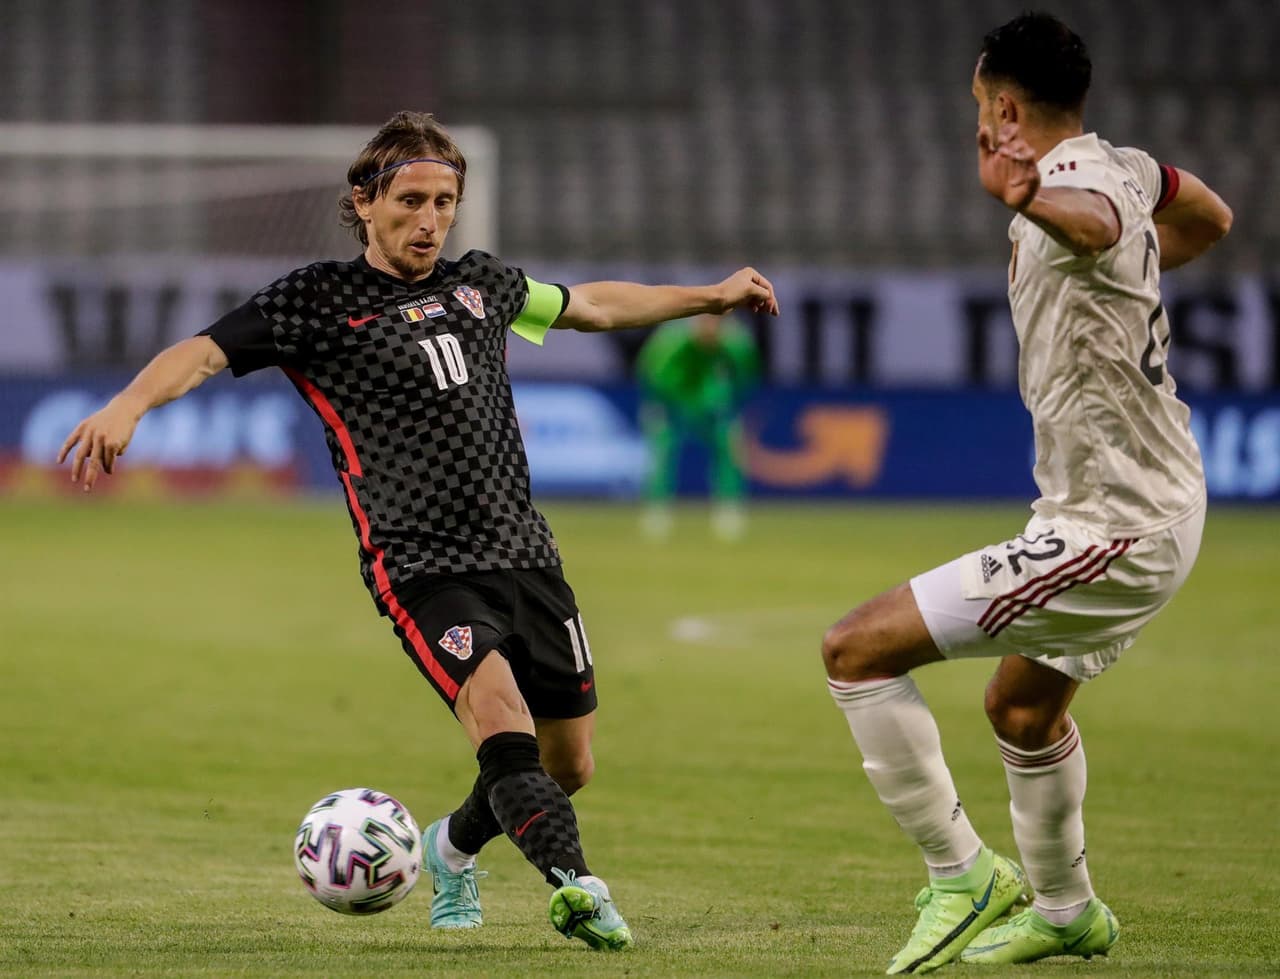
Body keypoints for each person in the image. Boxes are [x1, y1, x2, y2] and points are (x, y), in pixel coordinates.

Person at [58, 110, 779, 952]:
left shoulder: (482, 284)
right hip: (423, 566)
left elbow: (589, 305)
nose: (431, 220)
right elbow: (205, 351)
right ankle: (579, 885)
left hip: (527, 553)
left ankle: (451, 847)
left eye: (444, 202)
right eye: (410, 201)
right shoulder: (317, 300)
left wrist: (710, 296)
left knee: (569, 764)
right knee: (500, 723)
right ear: (364, 202)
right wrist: (128, 403)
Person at [820, 13, 1231, 974]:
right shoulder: (1129, 166)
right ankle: (1066, 910)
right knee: (1022, 710)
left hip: (1116, 528)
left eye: (980, 106)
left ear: (1006, 109)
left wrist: (1035, 199)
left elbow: (1094, 225)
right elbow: (1211, 217)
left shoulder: (1079, 187)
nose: (977, 123)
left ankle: (960, 874)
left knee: (855, 650)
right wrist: (1128, 270)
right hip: (1148, 502)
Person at [634, 312, 761, 540]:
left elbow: (745, 376)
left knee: (728, 450)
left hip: (711, 406)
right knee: (663, 454)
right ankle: (657, 511)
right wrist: (659, 405)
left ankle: (729, 510)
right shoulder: (671, 342)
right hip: (674, 405)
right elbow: (651, 373)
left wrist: (728, 402)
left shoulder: (735, 344)